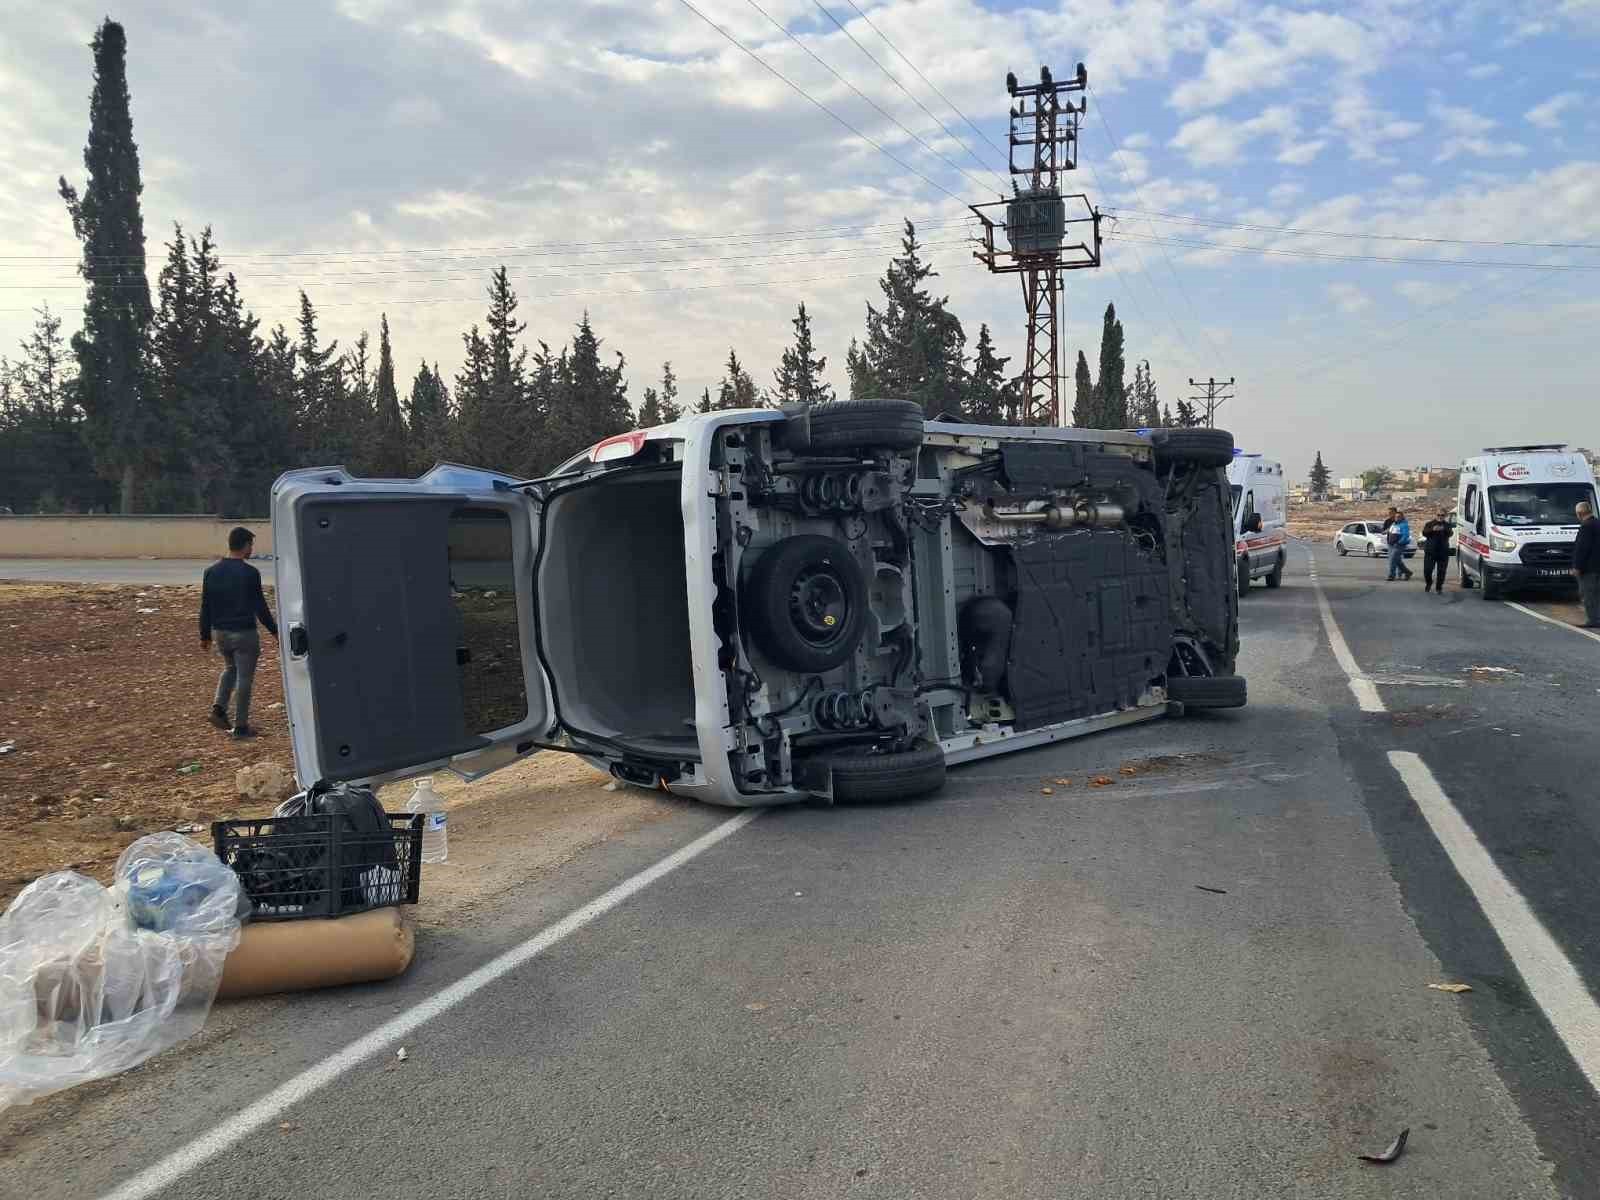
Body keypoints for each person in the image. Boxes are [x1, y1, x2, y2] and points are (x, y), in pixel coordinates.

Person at [199, 526, 278, 738]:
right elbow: (260, 607)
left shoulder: (211, 572)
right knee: (244, 678)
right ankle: (241, 727)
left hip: (220, 633)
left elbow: (205, 605)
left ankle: (219, 709)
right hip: (244, 633)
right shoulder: (250, 573)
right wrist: (275, 631)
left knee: (230, 668)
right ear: (245, 546)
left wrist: (205, 635)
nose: (252, 548)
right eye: (251, 544)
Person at [1574, 501, 1600, 628]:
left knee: (1588, 594)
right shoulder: (1598, 523)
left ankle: (1594, 620)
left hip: (1589, 568)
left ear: (1579, 513)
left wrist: (1577, 567)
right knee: (1597, 593)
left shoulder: (1586, 526)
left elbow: (1582, 548)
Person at [1421, 510, 1453, 594]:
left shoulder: (1447, 525)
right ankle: (1429, 583)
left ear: (1445, 516)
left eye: (1442, 515)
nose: (1440, 517)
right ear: (1435, 515)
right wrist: (1432, 529)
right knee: (1427, 570)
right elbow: (1424, 533)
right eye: (1438, 515)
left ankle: (1439, 587)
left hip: (1443, 552)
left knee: (1441, 571)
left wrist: (1444, 529)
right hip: (1430, 552)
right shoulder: (1429, 524)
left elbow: (1450, 533)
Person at [1386, 511, 1413, 581]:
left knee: (1392, 560)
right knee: (1397, 560)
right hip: (1391, 545)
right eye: (1396, 517)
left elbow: (1405, 535)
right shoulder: (1394, 524)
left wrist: (1399, 542)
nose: (1396, 518)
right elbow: (1390, 532)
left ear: (1402, 517)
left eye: (1398, 517)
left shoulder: (1404, 525)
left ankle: (1391, 575)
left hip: (1398, 545)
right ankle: (1408, 572)